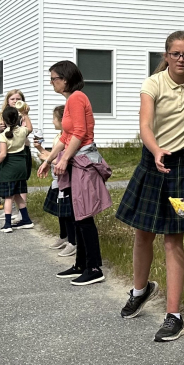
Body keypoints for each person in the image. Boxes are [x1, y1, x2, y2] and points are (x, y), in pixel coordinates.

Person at [115, 31, 184, 342]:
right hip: (153, 162)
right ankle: (140, 290)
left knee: (174, 240)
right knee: (143, 233)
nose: (181, 59)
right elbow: (145, 124)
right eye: (175, 54)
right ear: (166, 55)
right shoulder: (153, 84)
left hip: (183, 167)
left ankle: (173, 314)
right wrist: (156, 149)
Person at [38, 60, 111, 286]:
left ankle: (94, 267)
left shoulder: (77, 98)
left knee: (84, 216)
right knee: (76, 215)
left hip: (82, 163)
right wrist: (49, 159)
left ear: (66, 79)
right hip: (74, 162)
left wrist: (65, 159)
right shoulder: (70, 101)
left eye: (54, 79)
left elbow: (79, 133)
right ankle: (81, 264)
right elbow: (65, 137)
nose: (51, 83)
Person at [36, 105, 78, 256]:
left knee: (68, 213)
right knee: (61, 212)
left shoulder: (69, 139)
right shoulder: (59, 137)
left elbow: (64, 161)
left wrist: (48, 160)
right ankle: (64, 236)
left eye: (54, 118)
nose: (52, 122)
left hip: (65, 179)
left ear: (63, 121)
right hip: (57, 179)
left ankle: (73, 242)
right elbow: (53, 156)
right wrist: (41, 150)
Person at [0, 105, 34, 233]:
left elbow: (2, 154)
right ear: (18, 118)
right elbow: (30, 128)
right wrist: (25, 114)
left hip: (9, 168)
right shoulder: (22, 131)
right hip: (21, 167)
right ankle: (26, 219)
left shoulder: (3, 135)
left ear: (4, 120)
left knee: (8, 197)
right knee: (18, 195)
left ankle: (7, 224)